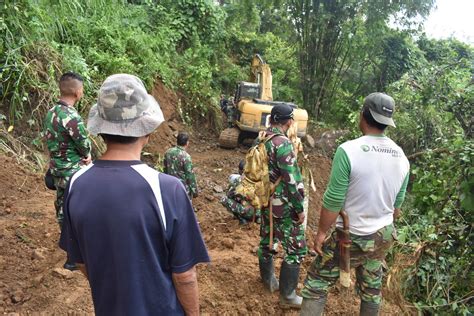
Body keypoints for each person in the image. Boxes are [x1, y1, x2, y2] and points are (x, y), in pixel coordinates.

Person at [59, 74, 210, 315]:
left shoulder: (76, 184)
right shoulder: (167, 189)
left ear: (101, 129)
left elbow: (80, 261)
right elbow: (185, 276)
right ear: (146, 129)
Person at [300, 93, 410, 316]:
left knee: (317, 282)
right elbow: (396, 208)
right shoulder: (401, 156)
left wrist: (321, 233)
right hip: (383, 235)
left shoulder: (349, 150)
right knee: (372, 288)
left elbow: (333, 200)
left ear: (364, 116)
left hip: (353, 235)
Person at [258, 104, 307, 309]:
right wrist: (299, 207)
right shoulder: (283, 144)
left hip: (266, 199)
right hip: (283, 204)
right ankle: (287, 296)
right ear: (289, 122)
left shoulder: (262, 139)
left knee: (268, 239)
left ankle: (268, 281)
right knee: (296, 248)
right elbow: (291, 180)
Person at [43, 72, 91, 270]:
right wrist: (87, 155)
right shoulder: (72, 117)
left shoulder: (50, 112)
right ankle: (78, 255)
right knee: (78, 211)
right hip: (73, 172)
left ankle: (71, 255)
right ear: (78, 92)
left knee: (62, 210)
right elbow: (83, 145)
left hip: (56, 170)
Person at [221, 160, 261, 225]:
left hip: (249, 212)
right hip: (261, 213)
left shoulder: (239, 180)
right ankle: (258, 218)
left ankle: (242, 219)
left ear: (241, 171)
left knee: (224, 199)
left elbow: (229, 195)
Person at [163, 132, 199, 199]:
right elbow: (190, 176)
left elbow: (164, 169)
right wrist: (195, 191)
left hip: (169, 186)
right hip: (181, 189)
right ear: (187, 143)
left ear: (177, 141)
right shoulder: (186, 156)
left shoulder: (168, 152)